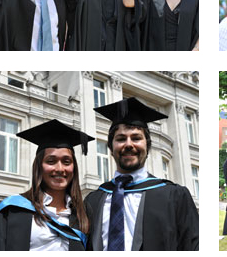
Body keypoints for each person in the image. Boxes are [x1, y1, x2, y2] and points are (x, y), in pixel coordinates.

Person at [85, 97, 199, 250]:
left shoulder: (175, 197)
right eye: (120, 139)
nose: (128, 144)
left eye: (136, 138)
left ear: (148, 146)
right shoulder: (93, 201)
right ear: (111, 148)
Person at [0, 120, 94, 250]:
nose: (60, 168)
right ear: (39, 166)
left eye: (66, 161)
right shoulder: (11, 211)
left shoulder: (83, 214)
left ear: (74, 167)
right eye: (51, 161)